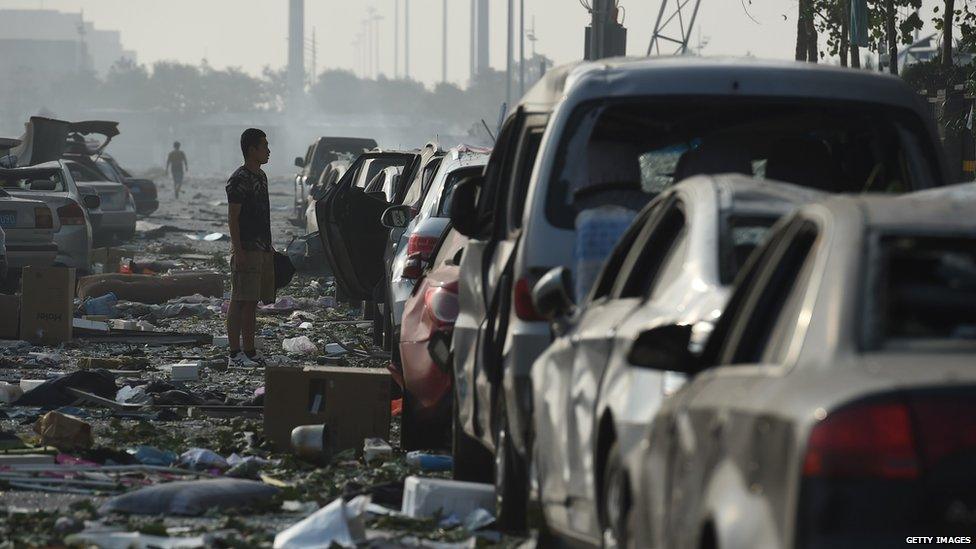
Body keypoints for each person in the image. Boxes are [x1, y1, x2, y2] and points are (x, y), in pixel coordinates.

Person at [225, 128, 274, 367]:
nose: (268, 150)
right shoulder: (239, 179)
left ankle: (250, 351)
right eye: (264, 146)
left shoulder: (261, 177)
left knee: (252, 301)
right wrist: (239, 250)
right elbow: (233, 218)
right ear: (252, 149)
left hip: (260, 248)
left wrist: (268, 247)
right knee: (240, 300)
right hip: (245, 248)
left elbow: (263, 214)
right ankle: (236, 354)